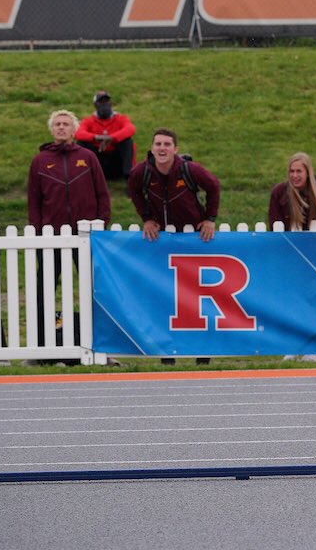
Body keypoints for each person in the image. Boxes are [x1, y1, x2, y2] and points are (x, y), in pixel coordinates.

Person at [127, 128, 220, 365]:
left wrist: (209, 218)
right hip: (163, 244)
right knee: (165, 298)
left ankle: (203, 355)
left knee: (199, 299)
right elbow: (134, 191)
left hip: (193, 241)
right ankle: (167, 354)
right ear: (152, 148)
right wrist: (146, 217)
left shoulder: (189, 170)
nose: (162, 148)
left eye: (167, 144)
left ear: (175, 149)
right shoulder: (142, 172)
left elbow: (214, 186)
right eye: (158, 144)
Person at [27, 110, 111, 357]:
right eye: (57, 124)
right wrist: (39, 231)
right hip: (52, 238)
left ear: (74, 130)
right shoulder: (40, 161)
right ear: (51, 130)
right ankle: (42, 347)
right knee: (44, 292)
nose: (61, 128)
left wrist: (101, 226)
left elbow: (102, 195)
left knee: (94, 291)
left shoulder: (88, 157)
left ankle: (101, 346)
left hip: (86, 238)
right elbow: (34, 201)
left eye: (66, 124)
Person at [75, 90, 136, 181]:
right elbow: (78, 133)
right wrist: (97, 138)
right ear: (95, 105)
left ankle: (129, 178)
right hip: (98, 163)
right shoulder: (88, 121)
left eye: (106, 101)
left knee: (127, 141)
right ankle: (82, 176)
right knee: (81, 143)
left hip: (116, 164)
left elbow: (130, 129)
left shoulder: (120, 118)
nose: (104, 104)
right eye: (101, 102)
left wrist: (111, 138)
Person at [268, 152, 316, 230]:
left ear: (308, 173)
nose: (295, 176)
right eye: (292, 171)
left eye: (299, 171)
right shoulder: (279, 192)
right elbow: (274, 224)